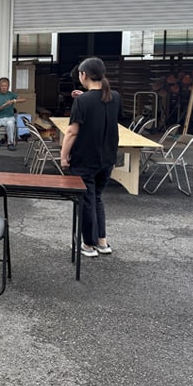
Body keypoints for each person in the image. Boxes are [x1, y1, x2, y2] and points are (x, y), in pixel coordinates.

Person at [59, 57, 121, 258]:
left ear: (83, 75)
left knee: (87, 201)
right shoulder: (115, 97)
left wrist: (63, 156)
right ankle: (102, 242)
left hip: (85, 159)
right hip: (107, 157)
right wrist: (84, 96)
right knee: (97, 198)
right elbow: (101, 107)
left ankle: (87, 245)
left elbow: (72, 132)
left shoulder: (82, 101)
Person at [0, 77, 25, 151]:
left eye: (5, 86)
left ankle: (10, 143)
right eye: (2, 86)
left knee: (10, 124)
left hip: (9, 117)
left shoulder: (11, 94)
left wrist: (13, 101)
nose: (4, 88)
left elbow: (23, 99)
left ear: (8, 86)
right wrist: (3, 106)